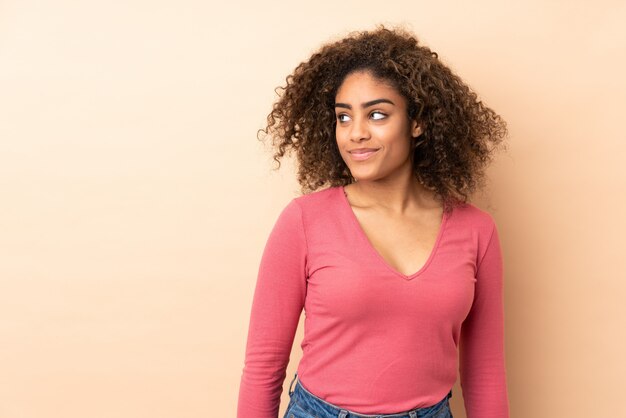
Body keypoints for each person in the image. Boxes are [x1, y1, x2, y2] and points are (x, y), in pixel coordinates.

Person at [237, 24, 510, 418]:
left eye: (377, 115)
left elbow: (485, 372)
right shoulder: (303, 221)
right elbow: (263, 366)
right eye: (343, 118)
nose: (356, 134)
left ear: (417, 123)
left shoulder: (476, 230)